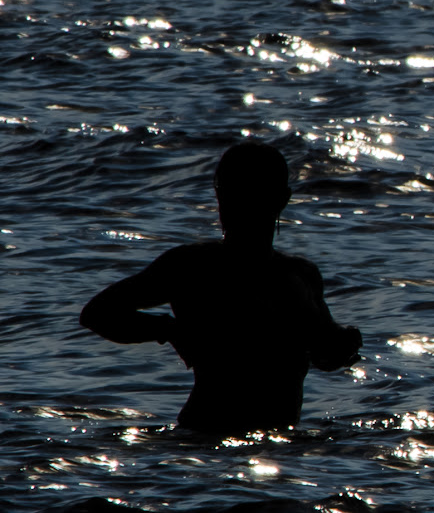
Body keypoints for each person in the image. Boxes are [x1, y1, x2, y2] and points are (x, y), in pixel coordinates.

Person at [80, 142, 362, 434]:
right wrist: (169, 329)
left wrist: (341, 337)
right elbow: (98, 313)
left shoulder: (299, 276)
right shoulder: (194, 266)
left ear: (281, 199)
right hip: (210, 435)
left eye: (254, 193)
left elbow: (328, 355)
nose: (242, 203)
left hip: (260, 445)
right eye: (235, 191)